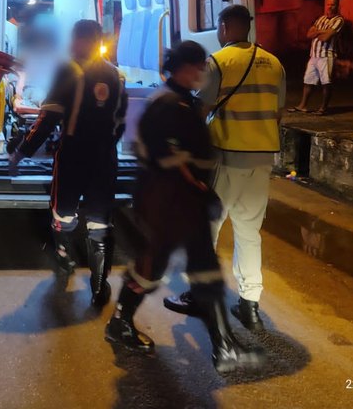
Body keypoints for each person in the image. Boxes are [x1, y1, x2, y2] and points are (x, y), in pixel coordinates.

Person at [105, 41, 264, 373]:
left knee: (187, 267)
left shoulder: (176, 101)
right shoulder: (168, 105)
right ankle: (221, 348)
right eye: (198, 66)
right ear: (182, 67)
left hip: (175, 200)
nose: (202, 73)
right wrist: (200, 189)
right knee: (159, 265)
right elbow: (169, 159)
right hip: (171, 201)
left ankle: (223, 348)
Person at [164, 5, 285, 333]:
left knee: (207, 230)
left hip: (226, 159)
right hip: (261, 162)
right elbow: (277, 114)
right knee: (249, 234)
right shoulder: (275, 63)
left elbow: (200, 109)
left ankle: (199, 294)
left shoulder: (220, 61)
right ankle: (250, 305)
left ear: (223, 26)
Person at [10, 19, 128, 307]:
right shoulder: (116, 74)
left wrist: (20, 153)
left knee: (63, 213)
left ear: (78, 40)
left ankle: (65, 260)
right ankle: (100, 288)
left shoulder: (69, 70)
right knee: (100, 220)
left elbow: (47, 120)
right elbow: (120, 121)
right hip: (106, 156)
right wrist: (108, 144)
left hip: (74, 154)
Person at [290, 0, 344, 114]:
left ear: (337, 6)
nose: (330, 7)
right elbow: (309, 34)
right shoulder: (321, 19)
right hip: (314, 55)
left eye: (333, 4)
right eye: (328, 4)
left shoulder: (338, 20)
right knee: (308, 80)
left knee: (326, 82)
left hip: (326, 56)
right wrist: (323, 31)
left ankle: (323, 108)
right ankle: (302, 106)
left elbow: (325, 38)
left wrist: (318, 32)